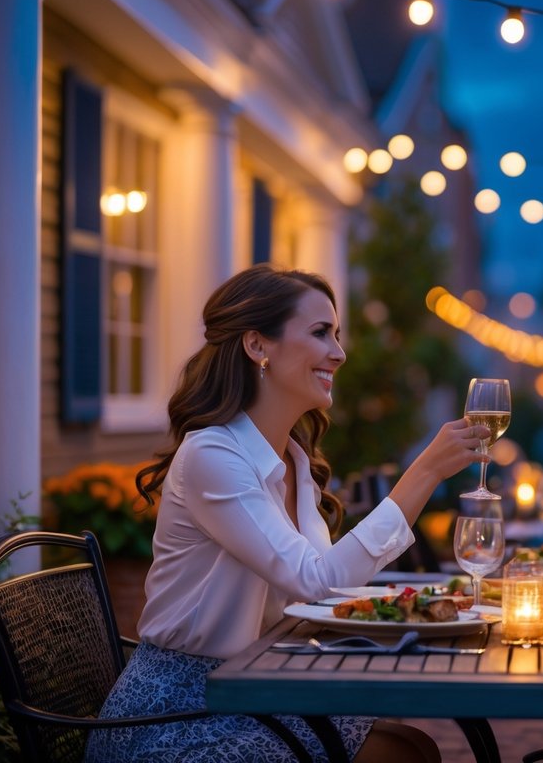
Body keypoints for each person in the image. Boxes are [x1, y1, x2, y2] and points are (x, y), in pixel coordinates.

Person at [87, 264, 488, 763]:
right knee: (402, 754)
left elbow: (328, 590)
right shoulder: (214, 456)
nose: (339, 353)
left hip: (262, 688)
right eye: (321, 333)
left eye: (337, 335)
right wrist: (424, 473)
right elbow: (317, 583)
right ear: (258, 346)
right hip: (182, 714)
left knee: (413, 747)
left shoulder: (294, 459)